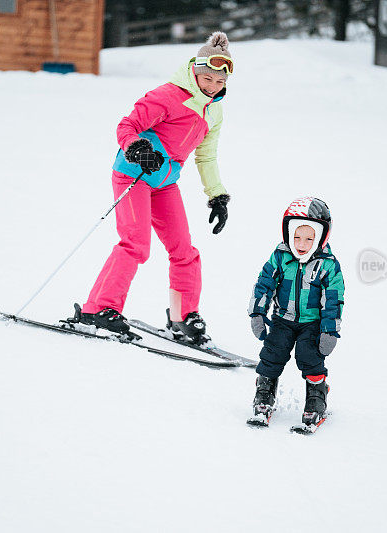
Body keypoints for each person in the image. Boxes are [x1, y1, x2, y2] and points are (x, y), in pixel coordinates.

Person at [74, 32, 234, 342]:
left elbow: (206, 155)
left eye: (220, 81)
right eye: (208, 79)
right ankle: (98, 308)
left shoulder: (214, 110)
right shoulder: (168, 95)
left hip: (165, 183)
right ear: (196, 71)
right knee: (136, 244)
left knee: (184, 250)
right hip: (134, 174)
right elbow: (127, 126)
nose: (214, 86)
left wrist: (217, 195)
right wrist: (135, 147)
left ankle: (182, 317)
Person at [247, 197, 345, 427]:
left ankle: (316, 395)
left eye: (310, 238)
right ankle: (265, 392)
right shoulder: (281, 256)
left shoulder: (328, 264)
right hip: (282, 319)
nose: (302, 243)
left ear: (321, 238)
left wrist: (329, 330)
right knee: (272, 355)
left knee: (310, 357)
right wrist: (258, 314)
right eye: (297, 237)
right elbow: (264, 284)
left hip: (313, 323)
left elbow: (333, 299)